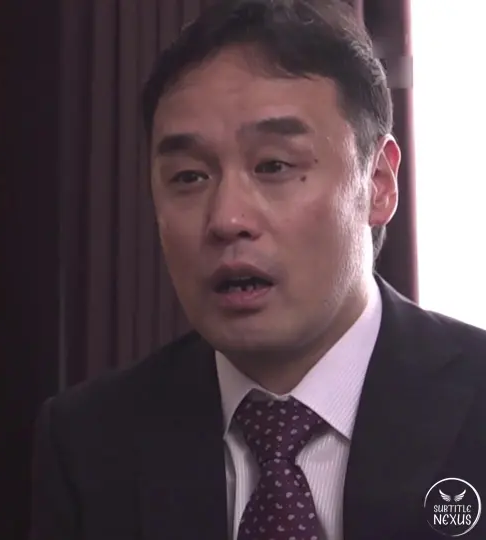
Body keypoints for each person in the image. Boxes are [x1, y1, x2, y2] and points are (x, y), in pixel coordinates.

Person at [29, 1, 486, 539]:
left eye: (274, 166)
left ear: (378, 184)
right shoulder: (88, 444)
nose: (227, 219)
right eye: (189, 177)